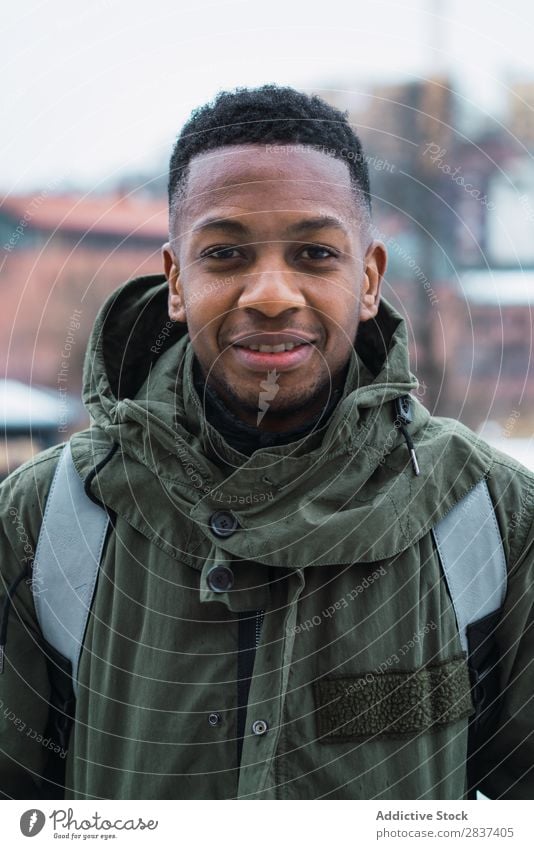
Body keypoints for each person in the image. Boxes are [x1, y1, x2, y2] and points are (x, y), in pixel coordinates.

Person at [0, 85, 532, 801]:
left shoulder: (491, 515)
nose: (273, 294)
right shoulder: (47, 517)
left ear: (368, 278)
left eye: (315, 252)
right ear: (176, 281)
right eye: (225, 254)